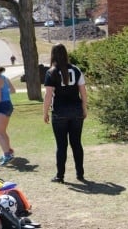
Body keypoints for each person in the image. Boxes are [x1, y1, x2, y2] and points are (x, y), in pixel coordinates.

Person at [43, 43, 88, 184]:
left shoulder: (51, 72)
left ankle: (60, 176)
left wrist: (45, 112)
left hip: (60, 112)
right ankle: (80, 173)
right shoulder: (76, 70)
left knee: (61, 145)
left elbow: (48, 95)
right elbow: (83, 92)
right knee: (76, 143)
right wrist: (84, 108)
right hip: (76, 111)